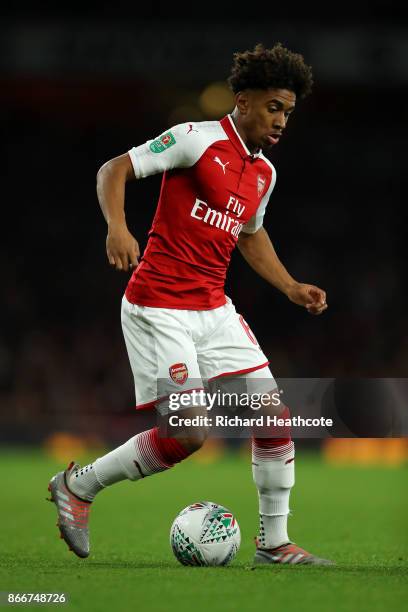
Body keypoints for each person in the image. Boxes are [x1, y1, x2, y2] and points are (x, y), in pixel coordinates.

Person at [47, 42, 331, 565]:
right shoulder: (196, 140)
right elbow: (114, 169)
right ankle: (78, 486)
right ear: (243, 101)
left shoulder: (263, 173)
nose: (282, 120)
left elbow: (249, 235)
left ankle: (273, 543)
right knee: (189, 435)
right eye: (274, 107)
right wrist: (117, 227)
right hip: (158, 306)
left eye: (288, 111)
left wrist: (291, 286)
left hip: (213, 309)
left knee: (274, 415)